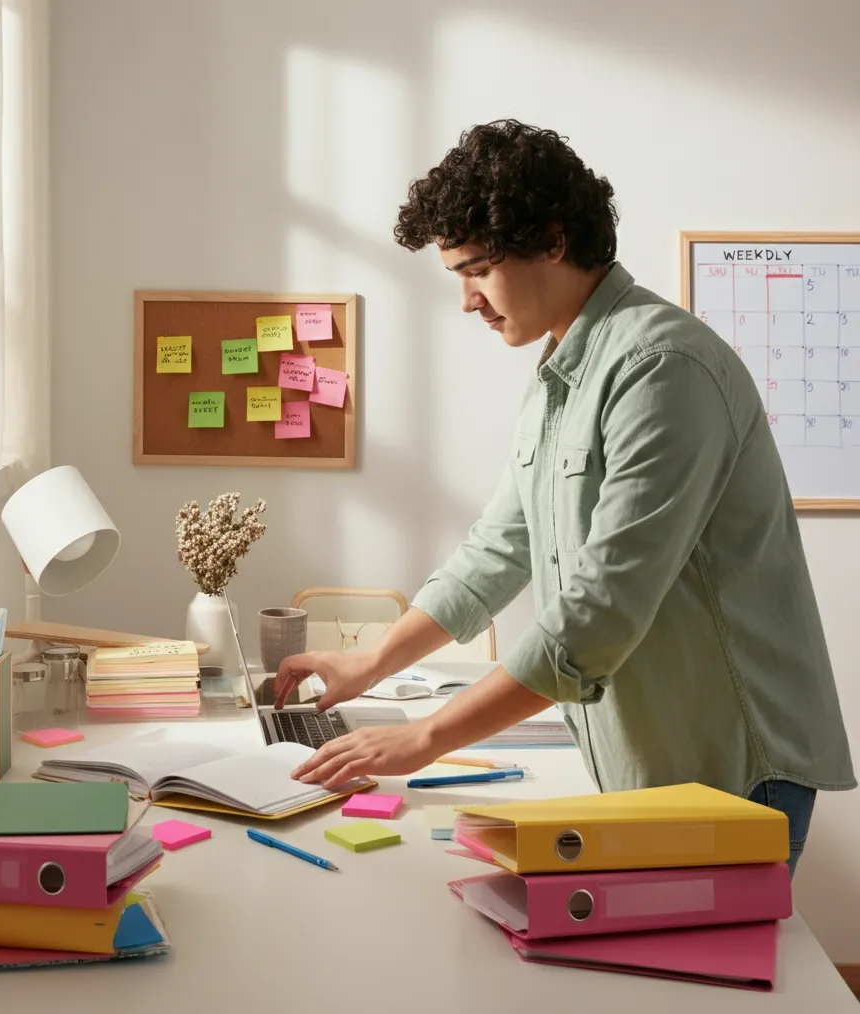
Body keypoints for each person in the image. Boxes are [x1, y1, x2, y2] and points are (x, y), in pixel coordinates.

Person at [273, 119, 855, 876]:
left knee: (695, 992)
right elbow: (498, 548)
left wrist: (423, 740)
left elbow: (599, 612)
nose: (466, 301)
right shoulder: (562, 373)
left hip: (730, 767)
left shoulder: (661, 368)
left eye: (476, 269)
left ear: (552, 239)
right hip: (650, 757)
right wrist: (372, 663)